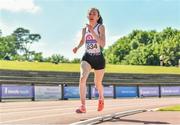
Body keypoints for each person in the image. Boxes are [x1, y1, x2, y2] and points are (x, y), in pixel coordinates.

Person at [73, 7, 106, 113]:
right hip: (87, 57)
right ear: (87, 16)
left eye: (94, 14)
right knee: (82, 78)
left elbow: (103, 44)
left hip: (99, 58)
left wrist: (92, 31)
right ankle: (83, 106)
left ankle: (101, 98)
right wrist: (77, 47)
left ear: (98, 17)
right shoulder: (84, 29)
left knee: (97, 83)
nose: (91, 15)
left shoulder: (100, 27)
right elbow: (83, 40)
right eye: (90, 14)